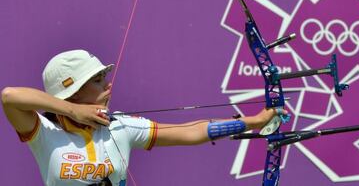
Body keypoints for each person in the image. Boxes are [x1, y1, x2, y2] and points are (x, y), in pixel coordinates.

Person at [1, 49, 287, 186]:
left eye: (105, 77)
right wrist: (73, 112)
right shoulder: (45, 134)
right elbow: (10, 97)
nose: (108, 85)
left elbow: (190, 131)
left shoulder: (120, 127)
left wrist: (251, 122)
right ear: (74, 93)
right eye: (98, 80)